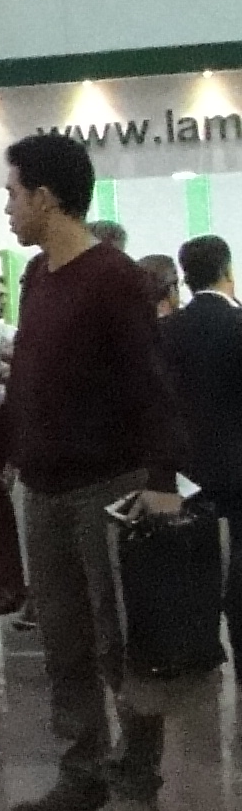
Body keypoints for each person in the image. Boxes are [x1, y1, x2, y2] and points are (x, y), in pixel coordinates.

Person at [1, 133, 189, 811]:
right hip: (44, 486)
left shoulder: (113, 276)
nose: (8, 209)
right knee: (63, 641)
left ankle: (136, 779)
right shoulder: (37, 275)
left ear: (46, 197)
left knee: (120, 640)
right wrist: (4, 454)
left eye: (13, 194)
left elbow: (150, 381)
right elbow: (30, 374)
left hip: (110, 484)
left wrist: (162, 478)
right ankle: (80, 772)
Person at [164, 235, 242, 667]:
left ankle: (199, 648)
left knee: (193, 561)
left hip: (185, 470)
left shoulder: (167, 331)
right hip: (237, 465)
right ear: (227, 269)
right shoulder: (238, 325)